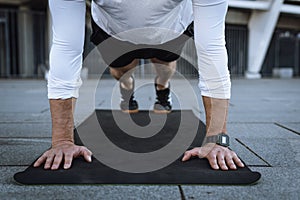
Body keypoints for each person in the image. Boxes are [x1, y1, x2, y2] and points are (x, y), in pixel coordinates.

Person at [34, 0, 245, 171]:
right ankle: (127, 90)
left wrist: (218, 140)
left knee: (164, 67)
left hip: (170, 29)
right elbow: (66, 48)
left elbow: (212, 49)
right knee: (122, 71)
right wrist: (62, 141)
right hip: (113, 31)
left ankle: (162, 90)